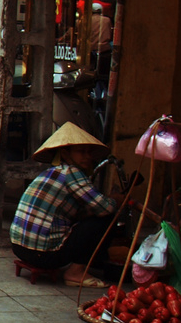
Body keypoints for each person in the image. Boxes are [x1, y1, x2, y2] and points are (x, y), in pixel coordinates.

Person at [10, 123, 121, 287]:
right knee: (105, 219)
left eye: (89, 152)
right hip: (42, 254)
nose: (87, 157)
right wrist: (116, 199)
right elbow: (106, 208)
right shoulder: (72, 173)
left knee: (89, 220)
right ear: (65, 153)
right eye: (81, 152)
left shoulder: (53, 172)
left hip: (19, 248)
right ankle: (75, 272)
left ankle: (84, 265)